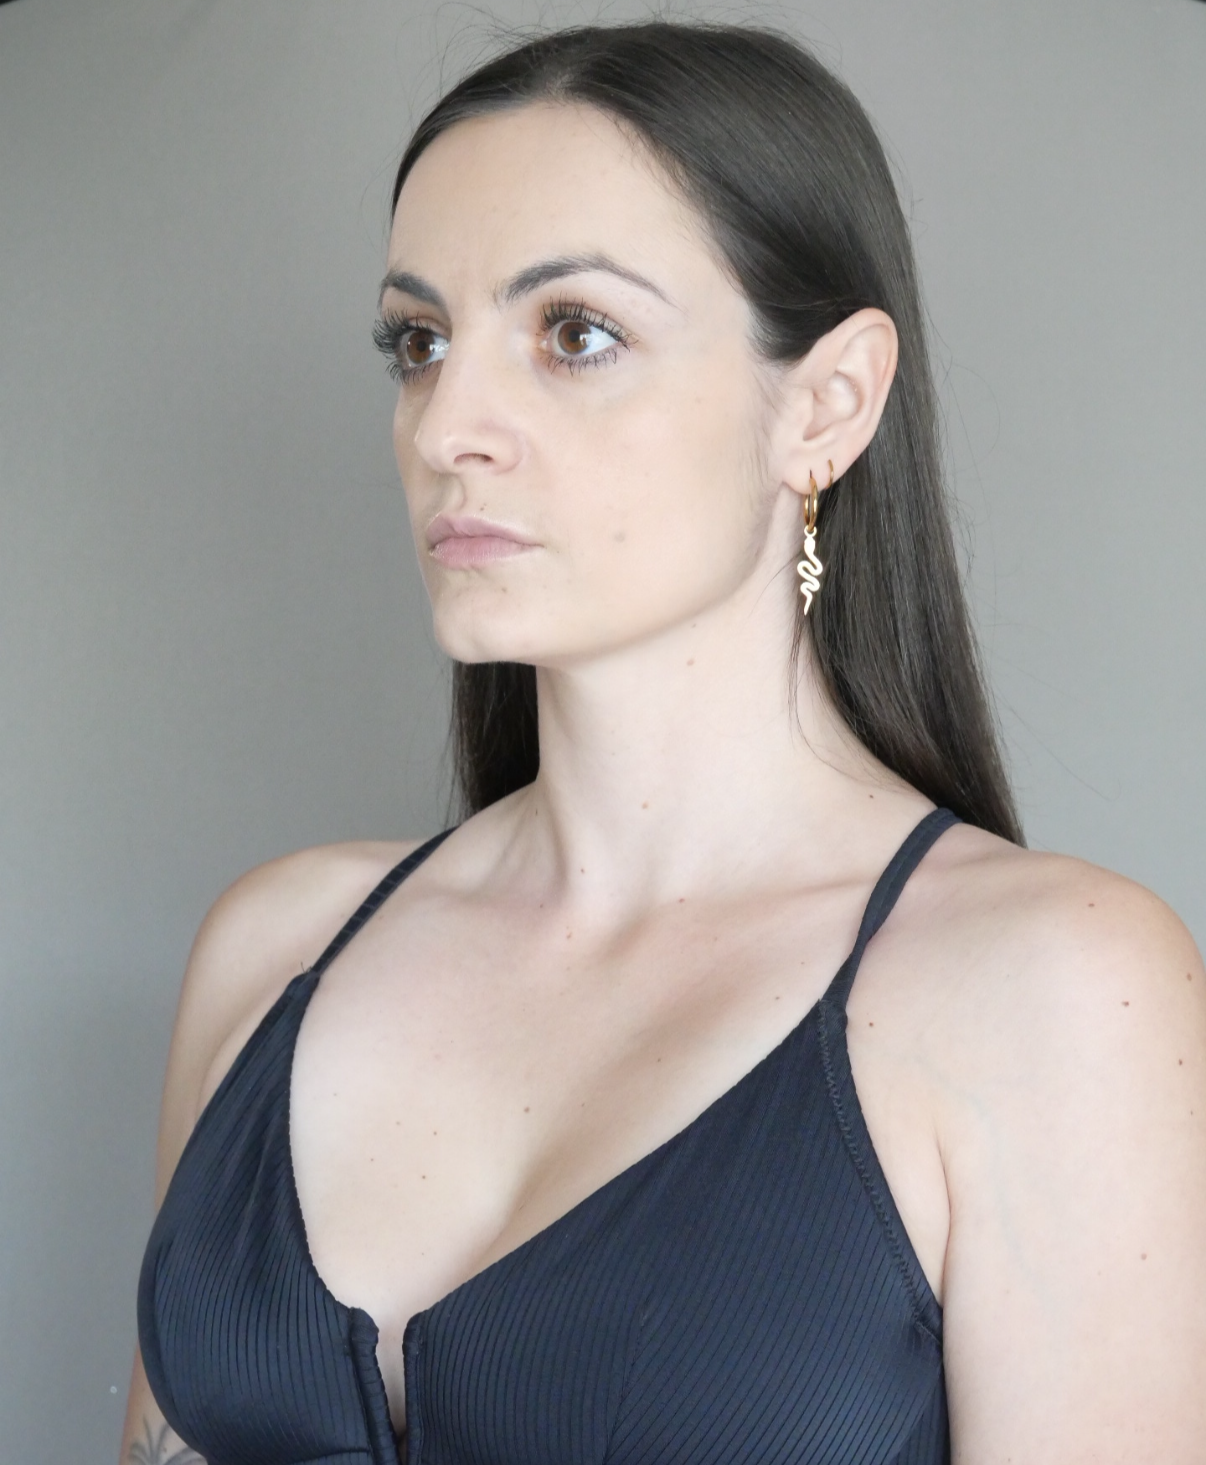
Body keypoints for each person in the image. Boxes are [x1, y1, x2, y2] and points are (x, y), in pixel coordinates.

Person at [121, 20, 1206, 1465]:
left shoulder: (1046, 988)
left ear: (823, 405)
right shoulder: (271, 956)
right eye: (417, 340)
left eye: (574, 333)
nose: (450, 424)